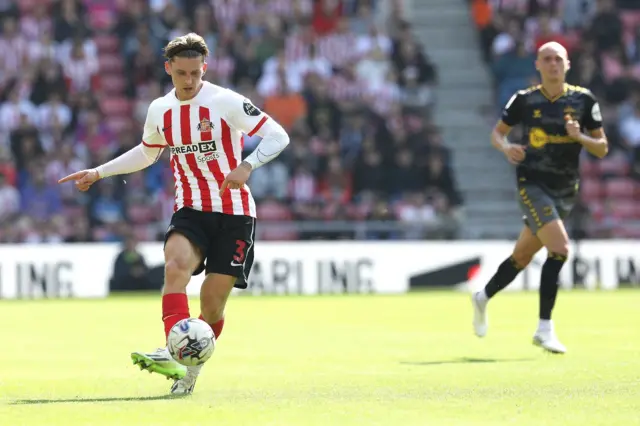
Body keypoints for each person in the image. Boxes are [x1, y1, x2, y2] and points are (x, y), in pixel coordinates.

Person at [58, 33, 290, 394]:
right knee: (174, 267)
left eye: (196, 73)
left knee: (212, 305)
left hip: (235, 212)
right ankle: (172, 348)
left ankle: (188, 371)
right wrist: (98, 172)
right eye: (182, 73)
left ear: (204, 69)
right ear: (169, 69)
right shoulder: (160, 110)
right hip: (191, 208)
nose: (189, 80)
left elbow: (278, 136)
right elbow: (147, 153)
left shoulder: (226, 101)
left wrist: (249, 164)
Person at [471, 42, 608, 354]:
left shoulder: (583, 100)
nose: (552, 64)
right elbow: (497, 134)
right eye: (546, 59)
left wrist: (580, 137)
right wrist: (507, 148)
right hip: (531, 183)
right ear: (537, 65)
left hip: (565, 189)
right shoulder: (524, 100)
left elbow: (602, 148)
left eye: (557, 59)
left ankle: (483, 297)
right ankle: (544, 328)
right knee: (559, 249)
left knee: (522, 257)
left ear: (567, 64)